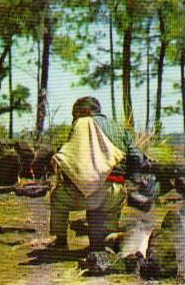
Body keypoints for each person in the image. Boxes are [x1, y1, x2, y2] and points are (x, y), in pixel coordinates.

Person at [47, 97, 146, 273]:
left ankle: (60, 241)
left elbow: (73, 157)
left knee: (57, 197)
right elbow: (137, 156)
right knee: (100, 237)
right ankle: (115, 240)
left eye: (74, 115)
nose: (73, 120)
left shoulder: (82, 124)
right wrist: (132, 179)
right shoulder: (119, 128)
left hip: (87, 192)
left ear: (83, 112)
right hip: (115, 191)